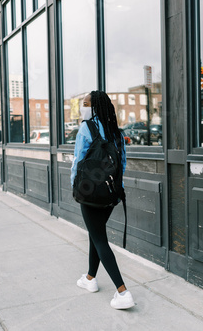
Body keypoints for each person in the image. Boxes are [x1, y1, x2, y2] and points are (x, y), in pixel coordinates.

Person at [70, 90, 134, 310]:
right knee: (95, 233)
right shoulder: (117, 132)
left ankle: (122, 292)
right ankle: (89, 278)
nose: (83, 107)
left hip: (89, 193)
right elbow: (122, 164)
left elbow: (78, 161)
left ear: (94, 106)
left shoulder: (87, 128)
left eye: (85, 103)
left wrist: (75, 186)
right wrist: (118, 190)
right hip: (110, 193)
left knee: (99, 239)